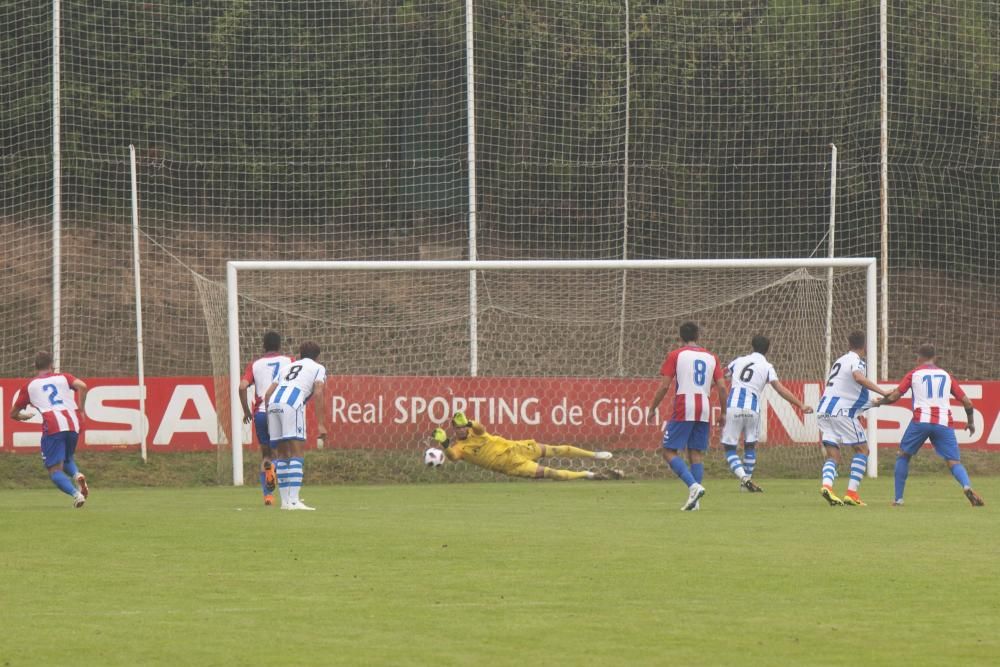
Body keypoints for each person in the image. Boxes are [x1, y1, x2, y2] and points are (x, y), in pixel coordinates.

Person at [874, 344, 984, 507]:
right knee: (954, 462)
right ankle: (967, 486)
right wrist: (971, 422)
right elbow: (968, 402)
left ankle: (898, 499)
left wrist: (879, 403)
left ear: (919, 358)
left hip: (921, 421)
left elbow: (895, 395)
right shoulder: (946, 376)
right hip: (943, 423)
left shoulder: (914, 374)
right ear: (935, 358)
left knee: (903, 455)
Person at [645, 321, 727, 511]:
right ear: (698, 336)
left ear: (680, 337)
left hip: (684, 404)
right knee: (695, 452)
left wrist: (652, 407)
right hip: (704, 406)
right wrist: (723, 412)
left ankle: (693, 486)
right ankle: (695, 501)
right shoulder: (712, 357)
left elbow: (665, 386)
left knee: (668, 451)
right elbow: (722, 387)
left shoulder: (676, 355)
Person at [723, 335, 814, 492]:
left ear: (751, 345)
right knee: (750, 445)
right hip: (753, 409)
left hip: (734, 406)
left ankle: (743, 478)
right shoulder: (767, 366)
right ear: (768, 349)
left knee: (729, 448)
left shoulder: (738, 361)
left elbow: (719, 376)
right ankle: (746, 485)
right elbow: (779, 388)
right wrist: (800, 405)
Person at [430, 411, 624, 481]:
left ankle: (595, 455)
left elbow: (481, 428)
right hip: (511, 466)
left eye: (462, 427)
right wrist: (445, 442)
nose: (461, 430)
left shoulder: (475, 431)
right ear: (454, 431)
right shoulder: (459, 447)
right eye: (457, 429)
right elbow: (453, 457)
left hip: (517, 448)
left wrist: (470, 422)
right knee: (552, 473)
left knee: (558, 449)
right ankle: (588, 474)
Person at [9, 351, 90, 508]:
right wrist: (81, 409)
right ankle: (77, 474)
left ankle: (76, 495)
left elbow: (13, 413)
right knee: (67, 459)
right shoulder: (64, 377)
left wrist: (23, 417)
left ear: (35, 366)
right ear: (51, 365)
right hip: (73, 423)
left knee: (54, 471)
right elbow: (83, 386)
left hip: (53, 425)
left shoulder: (30, 385)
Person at [816, 331, 887, 507]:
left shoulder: (839, 361)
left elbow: (845, 394)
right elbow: (858, 377)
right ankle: (851, 494)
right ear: (865, 346)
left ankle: (827, 487)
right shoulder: (857, 361)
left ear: (848, 344)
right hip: (842, 413)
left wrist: (874, 403)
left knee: (834, 455)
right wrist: (883, 392)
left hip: (824, 410)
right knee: (863, 450)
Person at [264, 341, 327, 511]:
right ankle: (294, 501)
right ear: (317, 357)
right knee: (297, 452)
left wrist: (270, 416)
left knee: (283, 454)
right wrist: (321, 424)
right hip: (292, 404)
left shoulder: (287, 368)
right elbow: (319, 392)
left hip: (274, 404)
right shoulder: (318, 368)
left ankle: (285, 502)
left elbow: (268, 393)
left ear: (300, 355)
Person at [240, 331, 294, 506]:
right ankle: (285, 488)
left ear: (264, 346)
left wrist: (247, 411)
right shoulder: (289, 361)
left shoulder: (255, 365)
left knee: (266, 455)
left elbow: (242, 387)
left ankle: (268, 496)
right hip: (280, 410)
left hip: (261, 413)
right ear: (279, 345)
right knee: (285, 453)